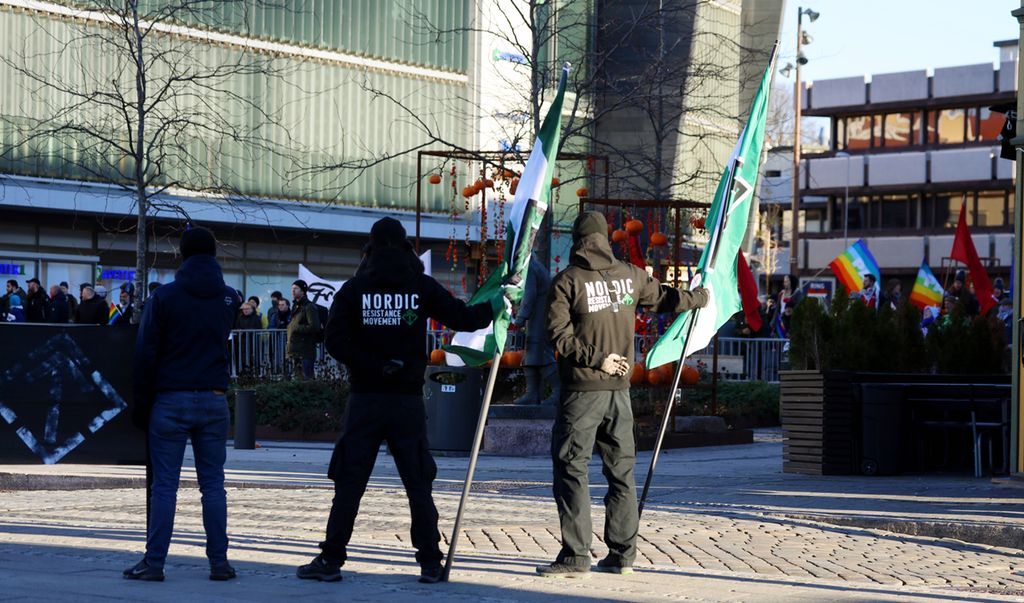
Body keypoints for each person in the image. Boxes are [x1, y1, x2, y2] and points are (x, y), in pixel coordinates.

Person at [297, 217, 497, 584]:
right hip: (406, 401)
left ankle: (331, 559)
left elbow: (335, 342)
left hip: (366, 399)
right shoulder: (419, 286)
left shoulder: (354, 289)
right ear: (404, 246)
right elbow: (465, 319)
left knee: (350, 482)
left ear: (369, 249)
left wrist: (374, 365)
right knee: (418, 483)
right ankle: (430, 562)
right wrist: (498, 303)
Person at [540, 211, 708, 578]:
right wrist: (699, 297)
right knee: (621, 473)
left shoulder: (566, 281)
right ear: (605, 239)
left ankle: (575, 555)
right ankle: (622, 555)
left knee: (572, 469)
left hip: (582, 392)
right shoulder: (630, 275)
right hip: (620, 394)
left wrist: (598, 359)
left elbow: (559, 337)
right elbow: (665, 299)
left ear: (576, 239)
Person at [125, 226, 240, 582]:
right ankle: (219, 562)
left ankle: (154, 562)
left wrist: (141, 405)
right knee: (213, 485)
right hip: (214, 399)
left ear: (182, 255)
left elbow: (146, 354)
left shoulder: (164, 298)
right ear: (214, 256)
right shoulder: (230, 298)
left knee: (165, 486)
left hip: (170, 399)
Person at [513, 256, 560, 406]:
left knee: (542, 353)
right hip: (537, 318)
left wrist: (520, 317)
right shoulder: (533, 266)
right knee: (532, 353)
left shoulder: (531, 268)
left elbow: (529, 295)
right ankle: (532, 393)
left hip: (541, 318)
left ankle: (559, 392)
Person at [287, 280, 321, 379]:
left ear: (303, 291)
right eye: (292, 289)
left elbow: (314, 327)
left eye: (296, 288)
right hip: (295, 350)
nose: (293, 291)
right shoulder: (296, 306)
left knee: (307, 381)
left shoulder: (309, 307)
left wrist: (295, 327)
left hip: (305, 351)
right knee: (298, 381)